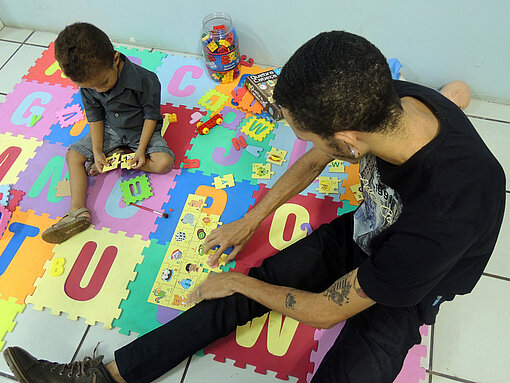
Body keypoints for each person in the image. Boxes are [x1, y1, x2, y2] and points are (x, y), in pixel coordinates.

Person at [4, 31, 505, 383]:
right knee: (247, 289)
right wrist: (249, 219)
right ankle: (109, 376)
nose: (309, 144)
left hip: (414, 283)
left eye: (309, 134)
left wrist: (240, 281)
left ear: (348, 138)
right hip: (368, 227)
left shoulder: (445, 216)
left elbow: (326, 312)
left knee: (331, 349)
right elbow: (315, 161)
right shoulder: (385, 98)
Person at [40, 22, 175, 244]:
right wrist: (96, 150)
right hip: (110, 129)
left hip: (141, 129)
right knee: (73, 156)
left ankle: (120, 160)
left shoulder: (145, 79)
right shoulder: (89, 84)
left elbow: (151, 116)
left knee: (164, 163)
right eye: (92, 87)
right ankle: (76, 210)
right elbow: (95, 117)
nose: (99, 90)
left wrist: (141, 150)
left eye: (103, 82)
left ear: (115, 58)